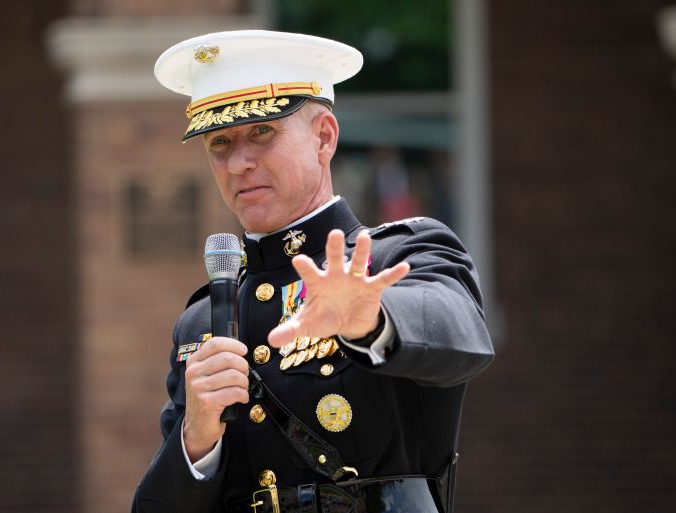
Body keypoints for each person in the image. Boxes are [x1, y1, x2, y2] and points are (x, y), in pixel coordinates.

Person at [132, 30, 494, 513]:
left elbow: (463, 338)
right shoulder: (201, 322)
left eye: (263, 131)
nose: (239, 162)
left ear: (324, 137)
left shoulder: (394, 257)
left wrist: (372, 320)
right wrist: (196, 441)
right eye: (219, 142)